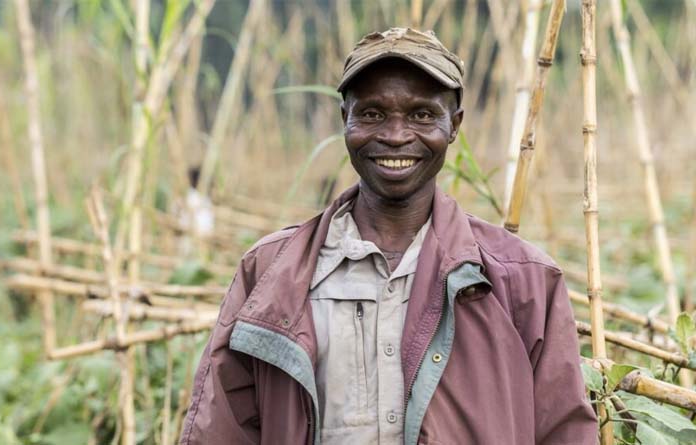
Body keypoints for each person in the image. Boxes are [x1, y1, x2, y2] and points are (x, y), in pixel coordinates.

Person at [179, 28, 597, 445]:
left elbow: (564, 431)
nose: (395, 135)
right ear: (345, 118)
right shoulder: (271, 273)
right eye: (373, 114)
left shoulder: (524, 282)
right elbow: (218, 431)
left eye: (421, 115)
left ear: (454, 126)